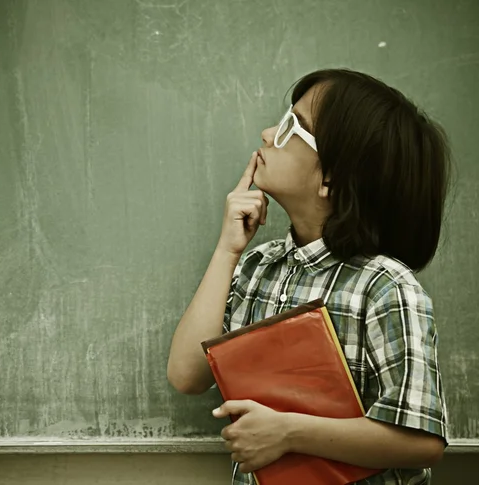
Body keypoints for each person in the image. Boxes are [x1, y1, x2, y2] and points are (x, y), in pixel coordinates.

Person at [167, 68, 451, 484]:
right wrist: (228, 249)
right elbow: (187, 375)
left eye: (291, 127)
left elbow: (422, 441)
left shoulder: (384, 286)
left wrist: (288, 432)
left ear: (332, 176)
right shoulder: (260, 266)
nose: (267, 133)